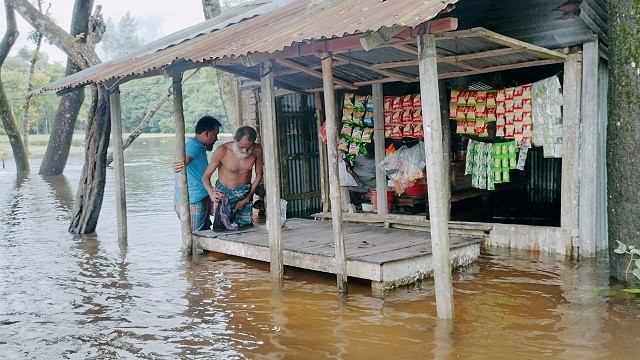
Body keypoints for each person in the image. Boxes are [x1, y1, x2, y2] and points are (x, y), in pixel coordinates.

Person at [202, 126, 263, 228]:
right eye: (241, 147)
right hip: (224, 195)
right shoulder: (222, 150)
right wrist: (211, 193)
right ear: (235, 140)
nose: (244, 151)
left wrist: (247, 199)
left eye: (248, 147)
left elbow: (259, 175)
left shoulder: (257, 150)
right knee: (221, 228)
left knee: (246, 227)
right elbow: (205, 177)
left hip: (245, 193)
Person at [173, 116, 222, 231]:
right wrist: (177, 164)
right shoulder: (193, 146)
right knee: (197, 236)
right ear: (206, 133)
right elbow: (181, 162)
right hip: (193, 201)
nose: (216, 139)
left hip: (197, 197)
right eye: (215, 134)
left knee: (204, 232)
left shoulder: (198, 146)